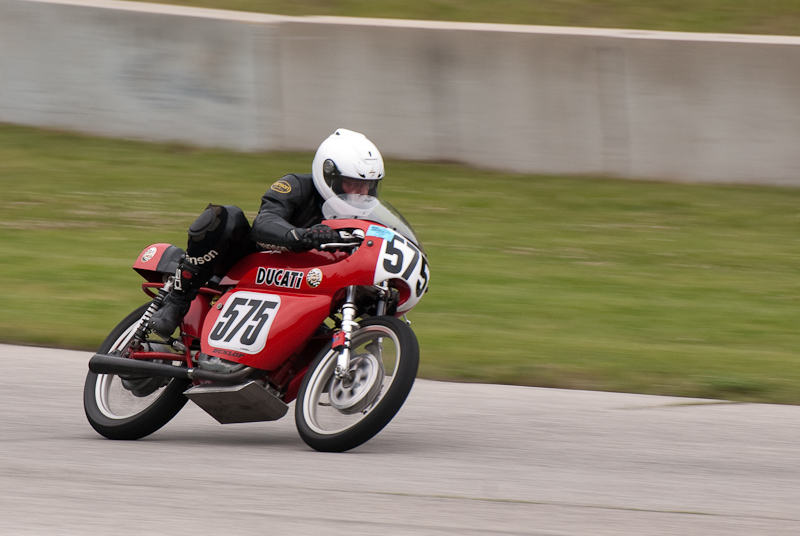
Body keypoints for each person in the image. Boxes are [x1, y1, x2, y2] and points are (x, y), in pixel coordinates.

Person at [147, 128, 386, 337]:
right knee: (225, 216)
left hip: (308, 285)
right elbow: (264, 222)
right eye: (353, 183)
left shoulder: (364, 216)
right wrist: (301, 236)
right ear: (329, 175)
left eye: (367, 186)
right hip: (253, 265)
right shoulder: (296, 186)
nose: (361, 192)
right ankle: (177, 301)